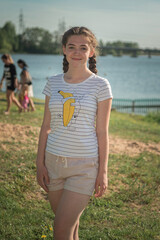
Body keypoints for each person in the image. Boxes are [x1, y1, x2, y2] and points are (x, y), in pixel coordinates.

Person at [36, 26, 113, 240]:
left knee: (60, 229)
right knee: (70, 228)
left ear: (91, 52)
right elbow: (45, 126)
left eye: (83, 47)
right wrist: (39, 162)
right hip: (53, 164)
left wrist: (103, 171)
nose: (77, 52)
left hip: (84, 167)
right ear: (64, 49)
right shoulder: (53, 82)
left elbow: (102, 132)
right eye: (72, 47)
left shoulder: (101, 86)